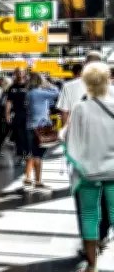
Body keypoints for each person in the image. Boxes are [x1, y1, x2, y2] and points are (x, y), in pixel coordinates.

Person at [58, 51, 113, 253]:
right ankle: (102, 235)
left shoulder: (70, 87)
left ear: (84, 65)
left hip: (82, 155)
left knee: (85, 203)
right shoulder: (111, 89)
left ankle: (89, 242)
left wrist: (67, 142)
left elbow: (65, 118)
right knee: (107, 199)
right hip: (109, 154)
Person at [24, 73, 59, 191]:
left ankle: (28, 178)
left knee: (33, 153)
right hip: (40, 127)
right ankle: (38, 181)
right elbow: (56, 92)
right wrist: (48, 84)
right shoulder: (39, 93)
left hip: (30, 126)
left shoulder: (29, 93)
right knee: (38, 154)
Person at [5, 68, 29, 166]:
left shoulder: (28, 85)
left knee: (27, 135)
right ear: (15, 74)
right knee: (19, 135)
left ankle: (27, 153)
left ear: (24, 74)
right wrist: (7, 114)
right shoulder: (12, 87)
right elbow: (8, 102)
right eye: (18, 72)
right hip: (17, 114)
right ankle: (21, 155)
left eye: (21, 72)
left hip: (28, 114)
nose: (20, 74)